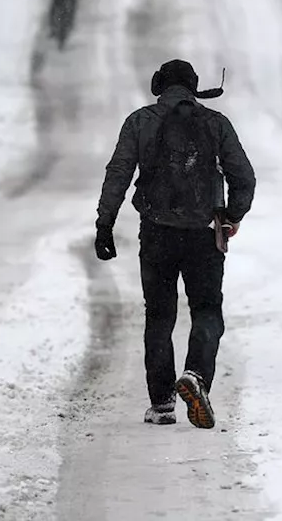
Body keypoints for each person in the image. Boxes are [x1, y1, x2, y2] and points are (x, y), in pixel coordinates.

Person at [94, 59, 256, 429]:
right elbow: (244, 177)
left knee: (160, 316)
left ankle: (162, 403)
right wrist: (232, 216)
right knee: (206, 310)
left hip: (156, 234)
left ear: (158, 86)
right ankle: (196, 375)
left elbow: (118, 173)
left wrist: (105, 224)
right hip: (203, 235)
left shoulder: (140, 122)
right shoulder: (216, 124)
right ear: (195, 87)